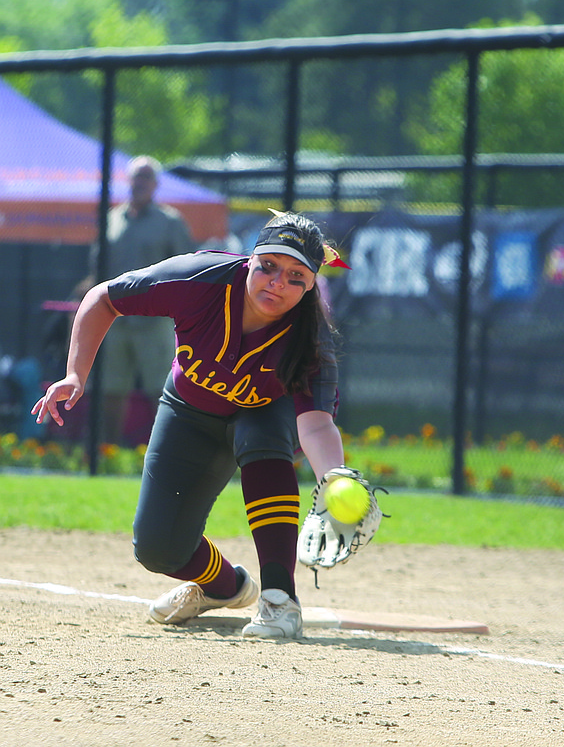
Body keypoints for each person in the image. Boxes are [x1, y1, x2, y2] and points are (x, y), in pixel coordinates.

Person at [32, 211, 380, 639]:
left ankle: (279, 600)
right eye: (268, 266)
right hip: (189, 410)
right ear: (249, 259)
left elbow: (316, 424)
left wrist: (333, 479)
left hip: (265, 413)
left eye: (295, 276)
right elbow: (104, 298)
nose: (277, 282)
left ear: (311, 286)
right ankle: (224, 588)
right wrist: (74, 374)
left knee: (262, 433)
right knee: (158, 549)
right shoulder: (201, 279)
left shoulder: (310, 336)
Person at [84, 156, 195, 445]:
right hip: (115, 320)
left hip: (155, 322)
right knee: (110, 389)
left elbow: (188, 271)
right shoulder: (111, 219)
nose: (140, 183)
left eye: (146, 177)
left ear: (156, 184)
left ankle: (166, 452)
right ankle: (108, 454)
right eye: (136, 177)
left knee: (162, 391)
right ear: (128, 181)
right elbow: (97, 271)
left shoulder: (170, 222)